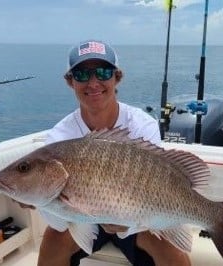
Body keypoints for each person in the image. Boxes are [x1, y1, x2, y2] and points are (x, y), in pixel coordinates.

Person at [36, 40, 192, 266]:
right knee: (52, 240)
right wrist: (35, 199)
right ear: (70, 81)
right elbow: (60, 223)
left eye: (102, 72)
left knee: (170, 249)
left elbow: (158, 185)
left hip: (137, 215)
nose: (93, 82)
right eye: (81, 74)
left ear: (117, 77)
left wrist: (128, 222)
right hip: (81, 217)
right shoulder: (60, 136)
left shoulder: (142, 125)